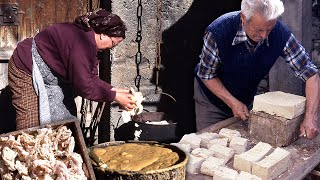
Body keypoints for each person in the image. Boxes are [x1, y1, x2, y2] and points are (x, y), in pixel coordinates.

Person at [194, 0, 320, 139]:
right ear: (243, 18)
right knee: (210, 147)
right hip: (212, 100)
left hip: (245, 98)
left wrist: (311, 118)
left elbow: (311, 74)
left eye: (269, 29)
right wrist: (232, 102)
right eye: (259, 29)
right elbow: (206, 75)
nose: (264, 35)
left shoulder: (280, 33)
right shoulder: (218, 32)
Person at [8, 9, 137, 130]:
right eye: (113, 43)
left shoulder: (89, 42)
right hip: (26, 67)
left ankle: (62, 151)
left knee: (65, 120)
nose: (112, 48)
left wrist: (115, 91)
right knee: (32, 123)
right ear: (103, 35)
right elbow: (85, 87)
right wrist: (115, 96)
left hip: (51, 74)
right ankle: (28, 152)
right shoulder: (81, 44)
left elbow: (91, 78)